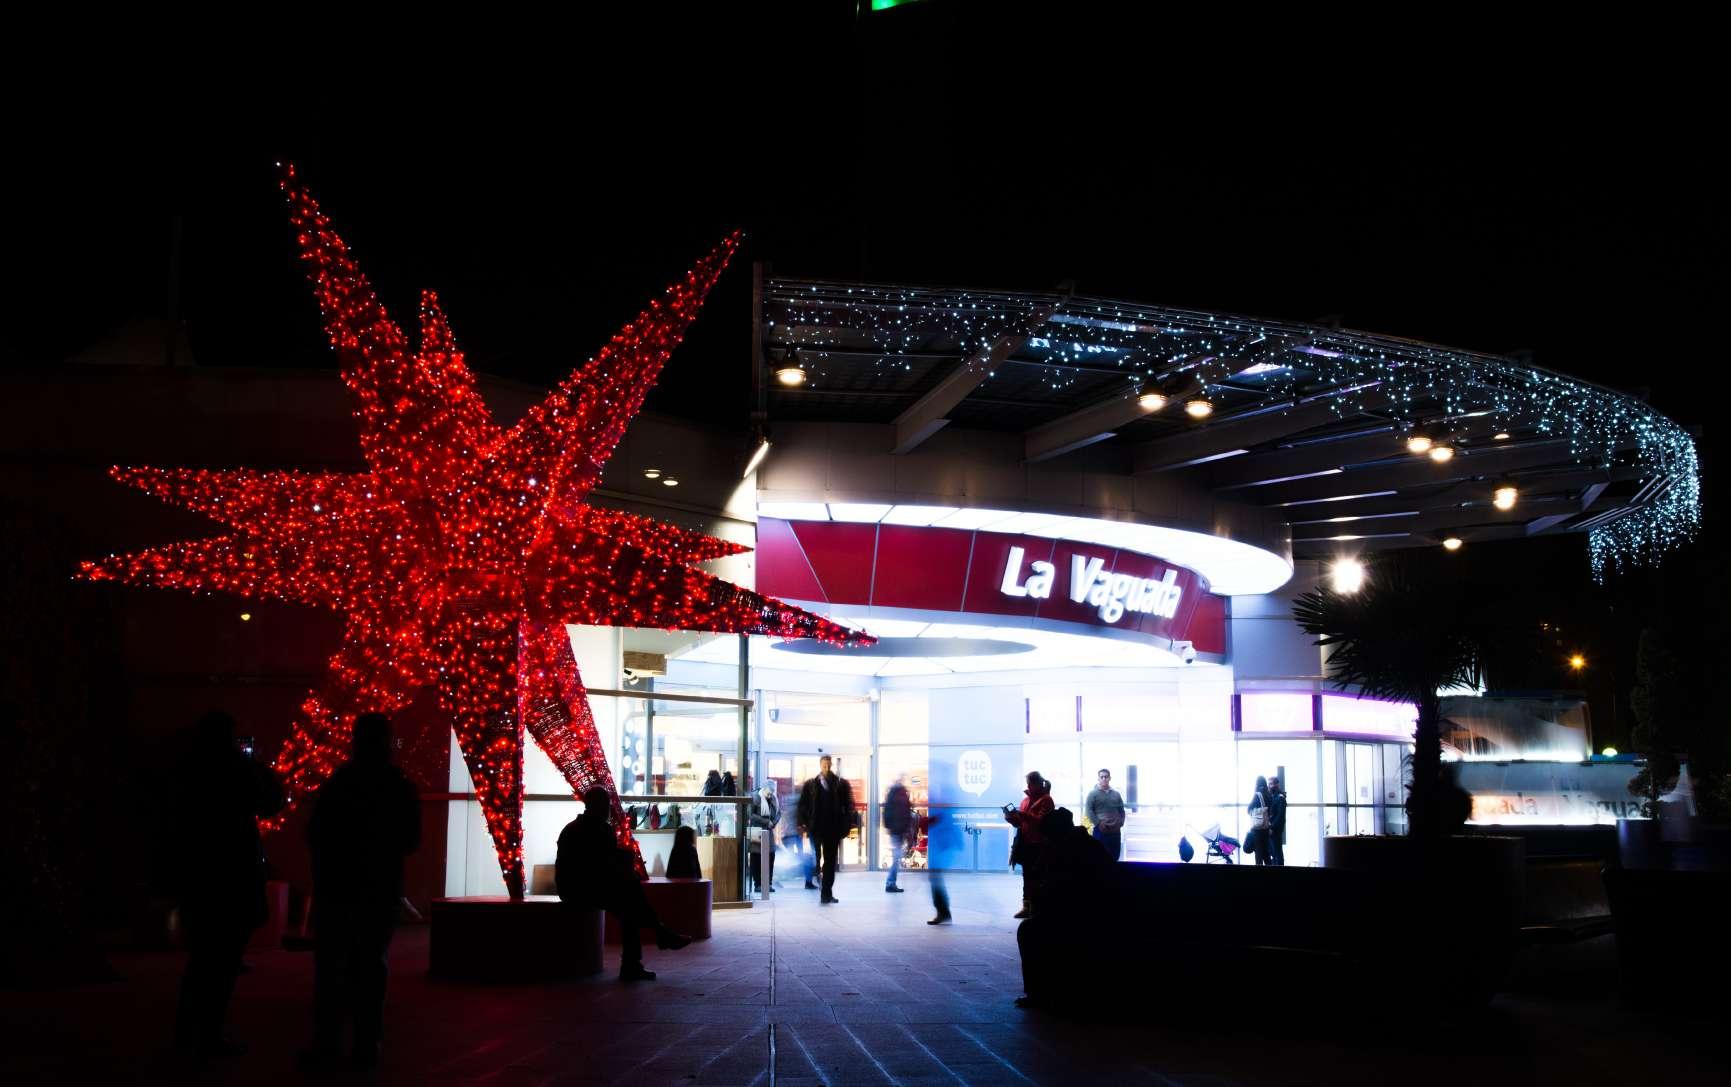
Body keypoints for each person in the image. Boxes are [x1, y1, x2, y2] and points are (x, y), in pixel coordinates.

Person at [301, 712, 420, 1071]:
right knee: (370, 968)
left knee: (331, 969)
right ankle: (367, 1045)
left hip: (338, 888)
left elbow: (316, 833)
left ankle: (327, 1045)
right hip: (379, 888)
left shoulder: (340, 782)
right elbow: (410, 839)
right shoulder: (397, 784)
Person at [171, 710, 285, 1058]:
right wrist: (261, 769)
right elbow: (271, 802)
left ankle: (188, 1032)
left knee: (202, 958)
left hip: (199, 874)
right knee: (222, 961)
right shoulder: (238, 769)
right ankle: (208, 1035)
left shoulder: (187, 769)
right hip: (233, 874)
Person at [556, 786, 690, 982]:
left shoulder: (573, 828)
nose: (609, 809)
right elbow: (603, 865)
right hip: (582, 889)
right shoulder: (600, 829)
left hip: (573, 887)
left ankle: (655, 940)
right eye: (607, 805)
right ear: (600, 806)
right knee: (630, 900)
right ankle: (650, 944)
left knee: (630, 900)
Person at [796, 755, 856, 904]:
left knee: (830, 862)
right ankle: (821, 887)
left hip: (832, 830)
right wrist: (803, 824)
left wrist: (847, 825)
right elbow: (802, 805)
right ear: (820, 765)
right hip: (816, 829)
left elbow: (849, 805)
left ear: (831, 765)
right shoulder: (811, 784)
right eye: (824, 765)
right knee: (816, 861)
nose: (827, 768)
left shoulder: (840, 784)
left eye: (829, 765)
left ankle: (826, 893)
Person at [1005, 772, 1054, 919]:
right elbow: (1021, 824)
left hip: (1040, 844)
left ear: (1038, 783)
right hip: (1026, 843)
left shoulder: (1046, 800)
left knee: (1039, 877)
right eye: (1028, 783)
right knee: (1027, 877)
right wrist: (1012, 819)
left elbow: (1042, 821)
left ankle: (1038, 908)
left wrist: (1023, 815)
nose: (1028, 786)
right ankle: (1027, 907)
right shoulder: (1025, 801)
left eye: (1031, 783)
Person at [1084, 768, 1127, 861]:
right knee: (1099, 858)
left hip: (1115, 831)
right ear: (1098, 779)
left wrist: (1121, 822)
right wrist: (1098, 823)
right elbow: (1088, 811)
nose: (1104, 779)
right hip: (1100, 831)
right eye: (1102, 777)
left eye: (1106, 777)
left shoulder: (1116, 794)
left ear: (1110, 778)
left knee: (1115, 856)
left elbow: (1122, 810)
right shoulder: (1092, 794)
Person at [882, 775, 913, 893]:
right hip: (898, 831)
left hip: (897, 830)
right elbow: (903, 813)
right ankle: (890, 883)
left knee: (897, 857)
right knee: (897, 857)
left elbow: (888, 813)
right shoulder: (900, 794)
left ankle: (891, 883)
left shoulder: (893, 794)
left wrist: (890, 827)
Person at [749, 785, 779, 893]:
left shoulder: (773, 798)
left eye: (772, 793)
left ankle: (767, 884)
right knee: (756, 858)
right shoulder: (755, 797)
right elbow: (750, 815)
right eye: (769, 793)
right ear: (764, 789)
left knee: (770, 856)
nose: (770, 795)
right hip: (757, 831)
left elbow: (778, 812)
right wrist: (766, 822)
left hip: (768, 831)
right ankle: (757, 884)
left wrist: (773, 823)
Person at [1247, 775, 1273, 867]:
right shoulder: (1269, 795)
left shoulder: (1257, 795)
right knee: (1266, 854)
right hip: (1266, 828)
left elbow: (1249, 809)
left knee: (1258, 855)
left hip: (1257, 830)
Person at [1267, 775, 1288, 866]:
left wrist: (1272, 827)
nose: (1270, 786)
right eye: (1269, 784)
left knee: (1277, 853)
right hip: (1272, 828)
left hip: (1275, 829)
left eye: (1271, 784)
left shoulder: (1280, 798)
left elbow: (1280, 816)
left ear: (1277, 784)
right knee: (1275, 853)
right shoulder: (1274, 796)